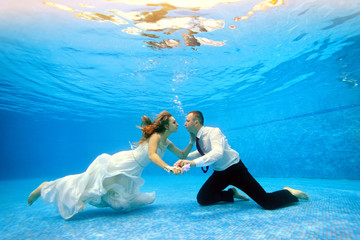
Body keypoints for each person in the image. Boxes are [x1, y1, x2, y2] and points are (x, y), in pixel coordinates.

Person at [28, 111, 195, 219]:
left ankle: (51, 188)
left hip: (134, 171)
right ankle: (46, 187)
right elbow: (152, 155)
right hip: (125, 163)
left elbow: (182, 155)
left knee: (122, 204)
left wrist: (191, 142)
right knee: (88, 185)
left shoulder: (167, 142)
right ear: (166, 125)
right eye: (174, 122)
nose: (178, 124)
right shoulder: (156, 137)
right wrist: (169, 168)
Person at [176, 111, 309, 210]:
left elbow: (217, 153)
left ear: (196, 122)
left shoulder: (213, 132)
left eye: (187, 120)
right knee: (203, 199)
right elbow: (203, 151)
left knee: (267, 203)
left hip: (235, 170)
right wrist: (185, 159)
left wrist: (193, 163)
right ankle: (231, 194)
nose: (184, 123)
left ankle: (288, 192)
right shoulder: (198, 137)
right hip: (220, 173)